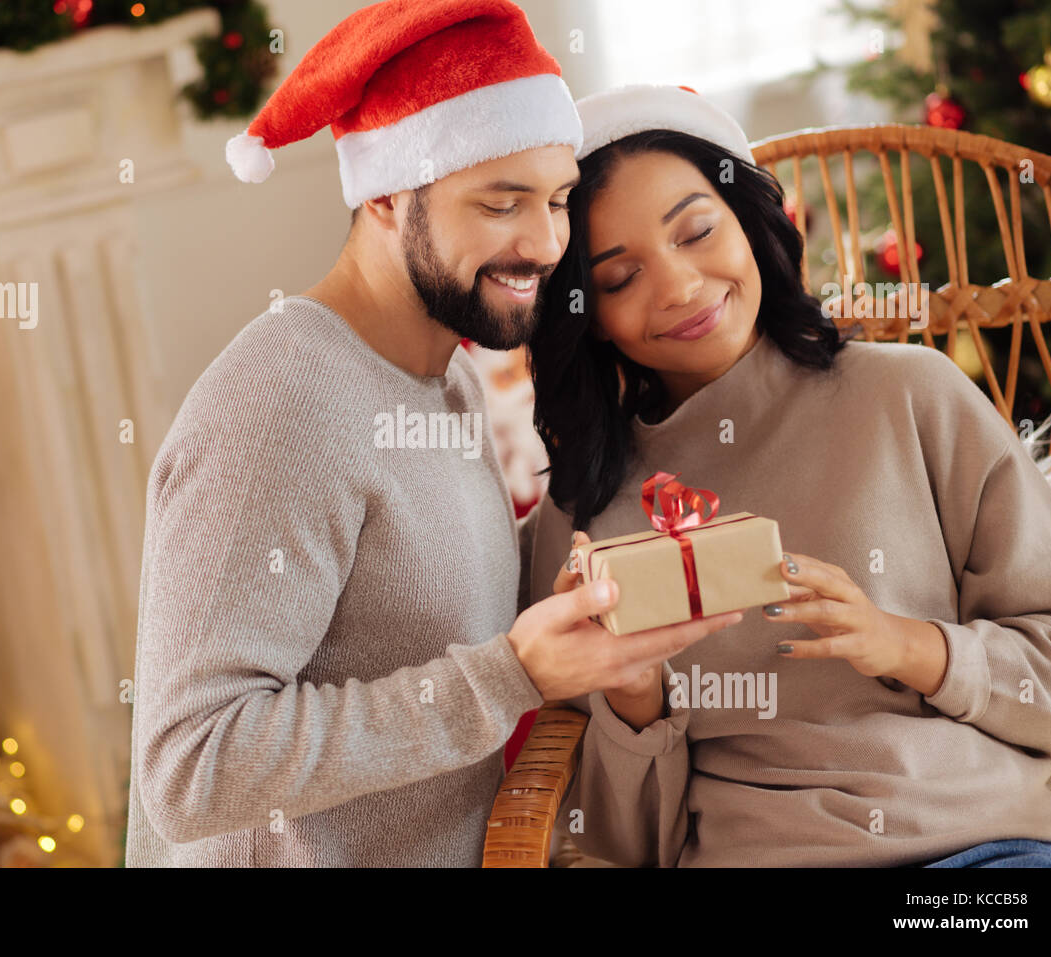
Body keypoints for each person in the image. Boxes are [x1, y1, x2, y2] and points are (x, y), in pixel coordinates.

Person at [125, 3, 742, 868]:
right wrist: (509, 676)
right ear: (383, 192)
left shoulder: (439, 364)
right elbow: (189, 770)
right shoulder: (279, 404)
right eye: (501, 204)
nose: (545, 242)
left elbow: (421, 598)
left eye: (559, 200)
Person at [524, 83, 1051, 867]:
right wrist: (635, 701)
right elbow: (614, 846)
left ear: (751, 223)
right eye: (619, 278)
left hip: (983, 859)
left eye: (697, 231)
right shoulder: (585, 513)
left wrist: (910, 647)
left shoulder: (910, 394)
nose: (678, 287)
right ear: (587, 314)